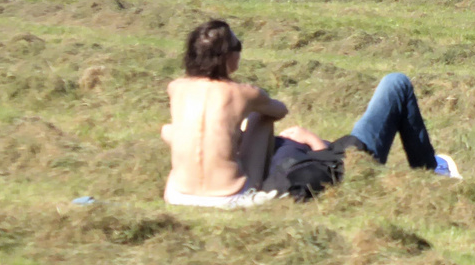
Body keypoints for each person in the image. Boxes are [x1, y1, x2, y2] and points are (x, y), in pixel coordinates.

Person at [162, 21, 459, 209]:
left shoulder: (176, 88)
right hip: (234, 194)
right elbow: (278, 110)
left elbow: (179, 133)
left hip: (178, 194)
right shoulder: (242, 92)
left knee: (176, 129)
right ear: (228, 57)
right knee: (396, 83)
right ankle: (429, 169)